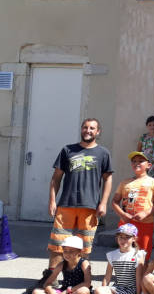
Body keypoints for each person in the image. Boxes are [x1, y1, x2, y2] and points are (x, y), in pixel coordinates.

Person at [43, 118, 112, 286]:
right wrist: (52, 200)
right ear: (81, 129)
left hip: (89, 207)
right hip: (66, 204)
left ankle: (80, 281)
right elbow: (56, 178)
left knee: (83, 248)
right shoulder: (68, 150)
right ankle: (51, 281)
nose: (88, 130)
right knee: (57, 246)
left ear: (98, 132)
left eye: (92, 128)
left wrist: (103, 203)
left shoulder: (103, 153)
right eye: (85, 127)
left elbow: (107, 179)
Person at [111, 151, 154, 260]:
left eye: (140, 161)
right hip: (126, 223)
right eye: (134, 161)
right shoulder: (124, 182)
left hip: (145, 223)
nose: (136, 163)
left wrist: (146, 212)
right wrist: (123, 214)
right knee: (125, 250)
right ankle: (125, 275)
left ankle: (141, 274)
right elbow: (115, 201)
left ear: (149, 165)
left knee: (143, 252)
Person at [96, 223, 145, 294]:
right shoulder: (112, 255)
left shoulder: (138, 255)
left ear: (134, 238)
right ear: (117, 238)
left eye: (127, 237)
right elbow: (107, 277)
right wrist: (103, 289)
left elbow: (139, 278)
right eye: (120, 237)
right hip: (117, 288)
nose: (123, 240)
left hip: (131, 289)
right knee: (98, 290)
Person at [137, 115, 154, 180]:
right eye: (150, 125)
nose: (152, 127)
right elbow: (139, 149)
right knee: (144, 179)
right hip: (145, 162)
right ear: (147, 126)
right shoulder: (143, 137)